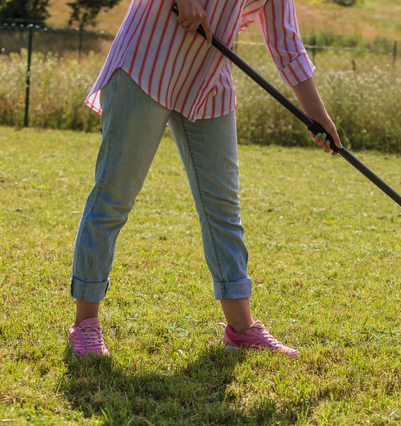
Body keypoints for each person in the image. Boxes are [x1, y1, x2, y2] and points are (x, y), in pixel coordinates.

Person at [68, 0, 341, 359]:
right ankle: (85, 326)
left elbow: (286, 43)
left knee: (223, 209)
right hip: (146, 62)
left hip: (206, 80)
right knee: (112, 198)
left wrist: (317, 116)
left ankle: (241, 330)